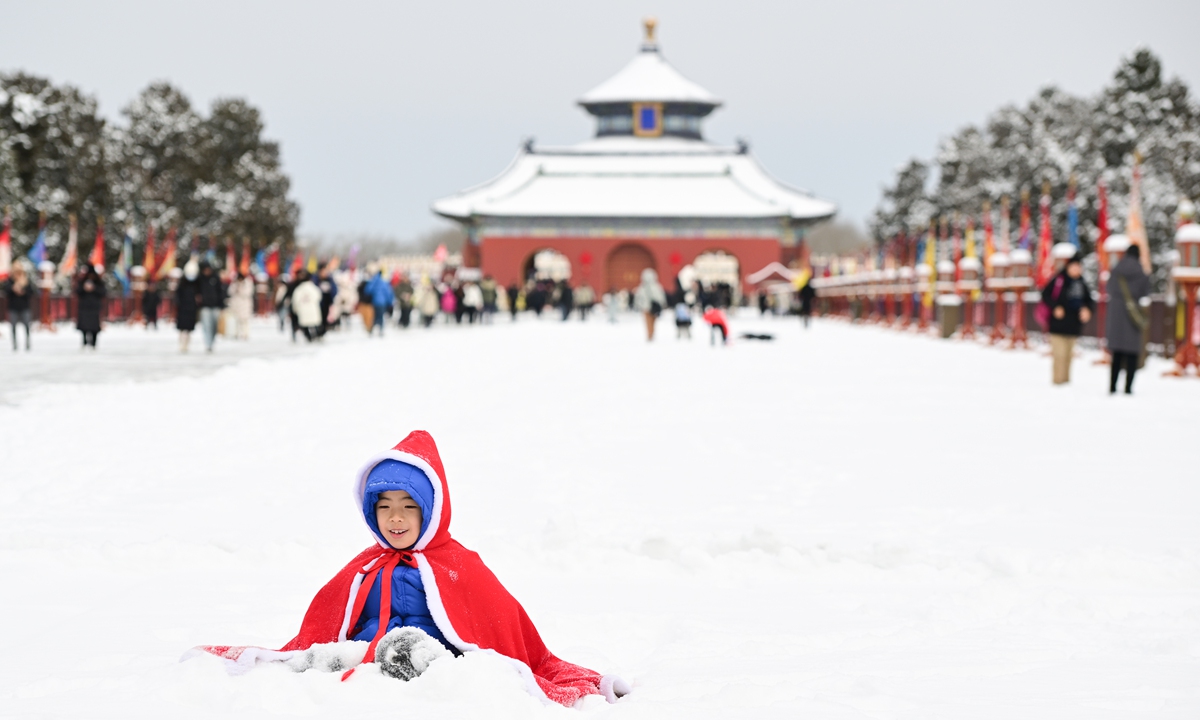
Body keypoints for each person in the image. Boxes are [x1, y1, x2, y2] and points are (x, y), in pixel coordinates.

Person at [187, 431, 629, 706]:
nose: (395, 519)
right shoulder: (366, 566)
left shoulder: (459, 565)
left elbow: (504, 625)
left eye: (407, 508)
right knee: (343, 654)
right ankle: (347, 663)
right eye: (384, 508)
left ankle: (409, 661)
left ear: (430, 511)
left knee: (417, 652)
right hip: (367, 652)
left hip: (435, 656)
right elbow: (333, 615)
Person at [1042, 253, 1095, 385]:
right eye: (1074, 266)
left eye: (1079, 267)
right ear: (1068, 267)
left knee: (1068, 357)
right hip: (1057, 325)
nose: (1076, 269)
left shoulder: (1082, 283)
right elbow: (1045, 294)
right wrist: (1055, 307)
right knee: (1059, 356)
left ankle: (1066, 383)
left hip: (1074, 326)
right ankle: (1057, 383)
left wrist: (1087, 310)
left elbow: (1089, 301)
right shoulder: (1059, 280)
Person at [1106, 244, 1151, 395]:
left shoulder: (1117, 269)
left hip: (1117, 316)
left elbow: (1109, 288)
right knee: (1132, 353)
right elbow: (1146, 291)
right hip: (1133, 317)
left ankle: (1112, 387)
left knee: (1117, 354)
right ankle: (1128, 388)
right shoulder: (1141, 271)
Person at [197, 262, 226, 352]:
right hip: (204, 306)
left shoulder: (215, 278)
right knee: (206, 326)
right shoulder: (200, 279)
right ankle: (208, 344)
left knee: (214, 326)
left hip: (215, 306)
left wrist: (222, 305)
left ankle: (212, 342)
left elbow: (221, 292)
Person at [5, 262, 34, 351]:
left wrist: (23, 292)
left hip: (24, 307)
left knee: (26, 325)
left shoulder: (25, 281)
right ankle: (14, 344)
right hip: (13, 307)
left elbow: (31, 292)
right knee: (13, 326)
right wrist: (13, 289)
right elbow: (6, 292)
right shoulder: (10, 281)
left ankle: (27, 343)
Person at [75, 264, 105, 350]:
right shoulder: (82, 282)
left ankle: (94, 343)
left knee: (94, 327)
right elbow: (77, 291)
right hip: (84, 307)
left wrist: (94, 288)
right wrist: (84, 288)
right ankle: (84, 342)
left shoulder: (98, 283)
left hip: (94, 308)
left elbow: (103, 293)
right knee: (84, 326)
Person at [633, 268, 667, 341]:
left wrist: (638, 305)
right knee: (652, 322)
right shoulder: (656, 286)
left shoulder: (642, 287)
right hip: (651, 308)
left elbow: (638, 298)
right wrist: (662, 304)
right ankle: (651, 334)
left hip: (646, 308)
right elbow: (660, 297)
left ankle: (650, 335)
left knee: (649, 322)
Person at [291, 269, 323, 342]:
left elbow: (295, 300)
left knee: (305, 325)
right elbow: (319, 297)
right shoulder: (313, 288)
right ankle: (317, 335)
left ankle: (309, 337)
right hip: (312, 309)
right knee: (315, 324)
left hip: (303, 310)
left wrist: (295, 309)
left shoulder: (298, 289)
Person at [176, 260, 201, 352]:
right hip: (183, 309)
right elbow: (178, 296)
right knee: (182, 329)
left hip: (192, 309)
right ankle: (181, 344)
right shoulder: (182, 284)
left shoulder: (197, 284)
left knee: (189, 329)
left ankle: (186, 345)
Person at [364, 270, 396, 337]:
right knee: (380, 316)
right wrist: (390, 302)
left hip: (374, 302)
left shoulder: (373, 282)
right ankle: (380, 329)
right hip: (382, 303)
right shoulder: (384, 283)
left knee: (374, 316)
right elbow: (388, 293)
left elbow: (367, 291)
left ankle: (371, 329)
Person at [228, 272, 255, 340]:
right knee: (236, 320)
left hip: (245, 304)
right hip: (236, 304)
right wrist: (235, 286)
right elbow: (230, 292)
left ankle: (245, 334)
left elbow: (248, 293)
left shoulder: (248, 283)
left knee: (245, 320)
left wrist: (240, 290)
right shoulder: (234, 283)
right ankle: (236, 333)